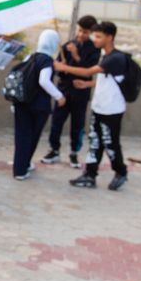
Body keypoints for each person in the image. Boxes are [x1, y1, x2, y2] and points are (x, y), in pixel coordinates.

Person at [55, 21, 129, 190]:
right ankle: (90, 174)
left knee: (110, 143)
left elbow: (88, 72)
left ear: (110, 37)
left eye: (98, 36)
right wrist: (87, 85)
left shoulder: (116, 58)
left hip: (111, 110)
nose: (94, 39)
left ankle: (121, 172)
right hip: (99, 107)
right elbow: (106, 80)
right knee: (95, 142)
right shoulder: (107, 57)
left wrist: (62, 66)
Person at [41, 15, 100, 168]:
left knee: (77, 124)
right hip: (64, 91)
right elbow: (59, 69)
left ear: (91, 33)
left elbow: (88, 70)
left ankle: (74, 153)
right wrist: (62, 63)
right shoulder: (67, 45)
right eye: (80, 30)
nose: (81, 34)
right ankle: (54, 150)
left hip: (81, 93)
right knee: (56, 122)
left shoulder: (94, 49)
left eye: (85, 32)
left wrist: (75, 55)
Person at [12, 30, 66, 180]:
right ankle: (21, 169)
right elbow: (44, 81)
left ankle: (22, 166)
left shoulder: (30, 57)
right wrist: (59, 96)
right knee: (32, 137)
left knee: (22, 136)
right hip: (38, 106)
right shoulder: (46, 60)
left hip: (22, 103)